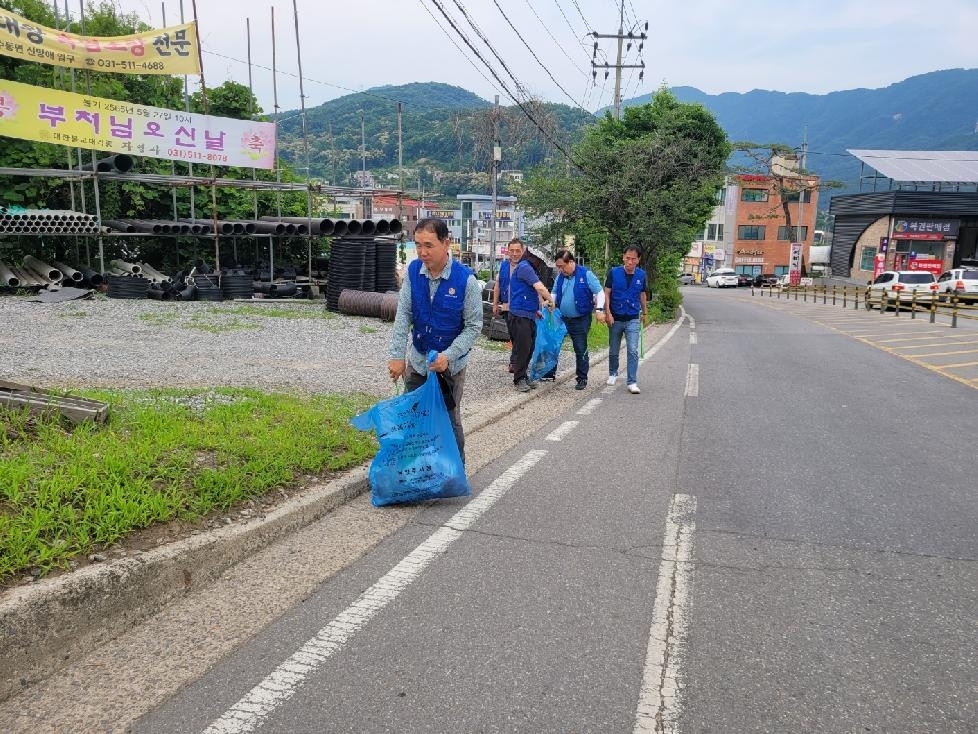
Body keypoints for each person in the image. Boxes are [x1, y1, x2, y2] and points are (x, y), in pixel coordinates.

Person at [388, 218, 483, 461]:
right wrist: (397, 355)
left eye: (428, 245)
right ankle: (418, 472)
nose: (422, 252)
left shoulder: (466, 281)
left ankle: (454, 472)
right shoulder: (413, 273)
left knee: (448, 419)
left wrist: (448, 357)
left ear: (446, 243)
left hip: (449, 367)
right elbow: (403, 315)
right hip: (419, 361)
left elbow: (473, 327)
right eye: (418, 245)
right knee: (414, 418)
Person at [496, 237, 554, 392]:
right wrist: (551, 301)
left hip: (528, 314)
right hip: (519, 316)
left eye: (518, 251)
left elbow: (527, 292)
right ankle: (519, 379)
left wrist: (536, 310)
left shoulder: (524, 267)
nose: (539, 261)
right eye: (537, 258)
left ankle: (523, 375)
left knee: (529, 347)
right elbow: (540, 288)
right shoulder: (524, 267)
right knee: (522, 348)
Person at [551, 249, 605, 390]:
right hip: (562, 318)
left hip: (580, 318)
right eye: (558, 267)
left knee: (580, 348)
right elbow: (555, 293)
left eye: (562, 266)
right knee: (553, 344)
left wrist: (599, 310)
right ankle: (549, 373)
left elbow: (599, 292)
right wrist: (550, 302)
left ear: (571, 262)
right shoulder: (560, 277)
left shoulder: (586, 274)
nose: (560, 269)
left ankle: (582, 378)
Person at [604, 245, 648, 394]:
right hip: (615, 318)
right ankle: (613, 373)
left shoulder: (641, 275)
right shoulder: (613, 273)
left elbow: (642, 294)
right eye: (627, 258)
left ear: (638, 260)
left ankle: (632, 381)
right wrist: (607, 312)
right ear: (623, 257)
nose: (630, 262)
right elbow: (607, 293)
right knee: (614, 349)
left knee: (633, 350)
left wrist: (645, 313)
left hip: (633, 318)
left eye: (633, 259)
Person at [491, 240, 521, 374]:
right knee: (513, 336)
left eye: (517, 251)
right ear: (508, 251)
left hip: (522, 308)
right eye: (512, 251)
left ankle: (515, 363)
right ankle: (517, 361)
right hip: (507, 307)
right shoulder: (503, 266)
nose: (514, 254)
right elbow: (497, 285)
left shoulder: (526, 266)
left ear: (522, 251)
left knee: (520, 336)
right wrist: (495, 303)